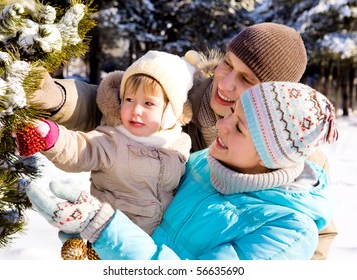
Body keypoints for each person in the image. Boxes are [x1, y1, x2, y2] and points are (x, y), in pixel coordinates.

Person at [30, 22, 336, 259]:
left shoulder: (298, 164)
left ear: (270, 97)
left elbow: (310, 241)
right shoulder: (182, 98)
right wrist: (55, 97)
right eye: (227, 64)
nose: (226, 83)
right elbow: (114, 102)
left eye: (247, 79)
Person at [17, 50, 198, 235]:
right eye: (129, 99)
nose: (136, 110)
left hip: (159, 245)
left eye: (148, 103)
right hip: (111, 239)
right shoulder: (112, 139)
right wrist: (52, 137)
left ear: (170, 112)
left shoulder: (180, 143)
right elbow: (81, 148)